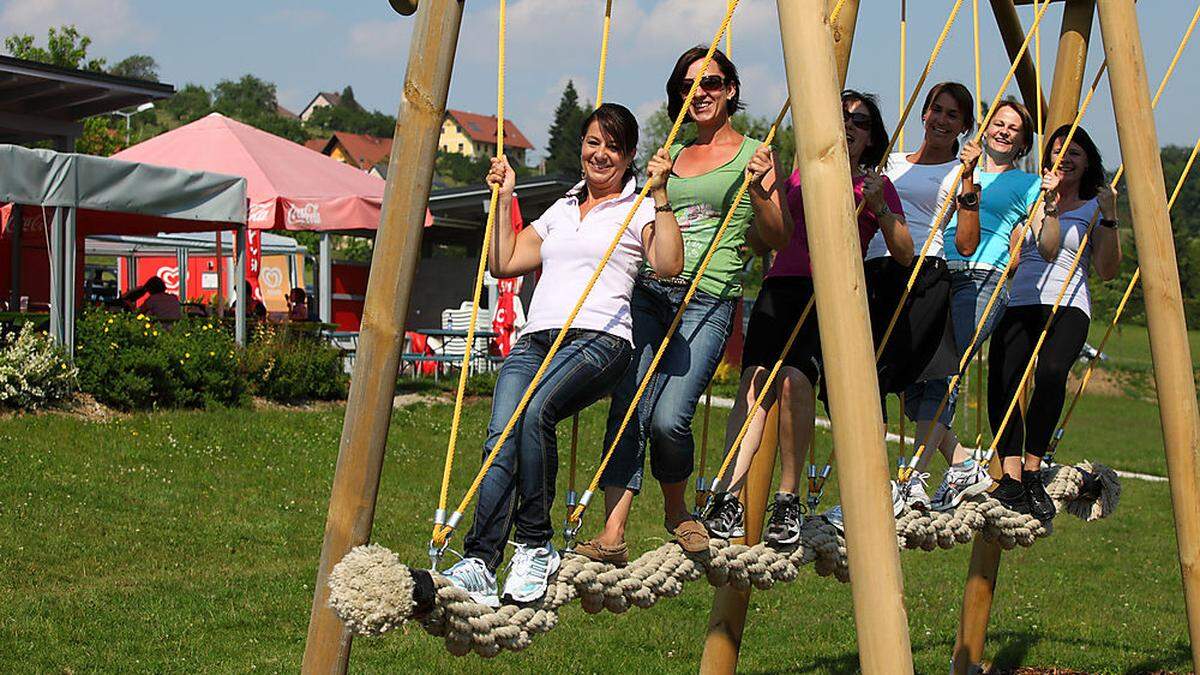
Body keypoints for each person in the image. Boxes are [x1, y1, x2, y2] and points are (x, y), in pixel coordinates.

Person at [441, 103, 684, 607]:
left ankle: (535, 544)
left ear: (630, 155)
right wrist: (504, 198)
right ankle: (482, 561)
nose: (601, 154)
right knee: (498, 435)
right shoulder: (561, 207)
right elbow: (504, 261)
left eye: (613, 147)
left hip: (600, 340)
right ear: (581, 148)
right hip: (536, 339)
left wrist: (660, 195)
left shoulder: (637, 207)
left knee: (535, 412)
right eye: (593, 142)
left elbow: (667, 266)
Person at [576, 46, 791, 565]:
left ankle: (676, 512)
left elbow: (775, 235)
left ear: (731, 90)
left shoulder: (755, 153)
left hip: (709, 296)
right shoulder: (668, 151)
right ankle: (612, 533)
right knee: (629, 407)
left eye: (711, 83)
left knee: (671, 418)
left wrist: (760, 191)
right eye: (687, 86)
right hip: (650, 292)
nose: (700, 93)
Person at [703, 90, 914, 545]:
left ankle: (787, 498)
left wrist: (879, 206)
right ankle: (728, 494)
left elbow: (903, 252)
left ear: (872, 137)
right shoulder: (796, 180)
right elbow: (764, 242)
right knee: (755, 381)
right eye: (841, 118)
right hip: (782, 286)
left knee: (796, 382)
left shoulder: (873, 186)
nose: (850, 126)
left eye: (860, 121)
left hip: (831, 295)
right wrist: (762, 196)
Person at [918, 99, 1047, 512]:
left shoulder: (1028, 185)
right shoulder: (955, 170)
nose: (1004, 131)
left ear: (1023, 141)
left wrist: (1049, 206)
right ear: (984, 128)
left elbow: (1043, 239)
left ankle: (916, 476)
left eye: (1014, 128)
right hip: (938, 271)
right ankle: (961, 464)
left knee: (945, 368)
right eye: (998, 123)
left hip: (983, 277)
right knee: (913, 373)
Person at [988, 125, 1121, 519]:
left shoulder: (1092, 207)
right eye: (1059, 151)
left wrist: (1111, 217)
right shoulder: (1032, 199)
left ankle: (1033, 468)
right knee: (1005, 381)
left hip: (1067, 304)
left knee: (1049, 374)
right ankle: (1010, 478)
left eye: (1074, 152)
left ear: (1087, 162)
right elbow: (1014, 258)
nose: (1065, 158)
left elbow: (1108, 269)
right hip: (1021, 301)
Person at [864, 82, 975, 510]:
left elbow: (966, 243)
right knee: (876, 376)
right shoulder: (889, 162)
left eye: (952, 115)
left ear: (964, 125)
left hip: (922, 270)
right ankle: (962, 463)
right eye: (936, 110)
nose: (942, 120)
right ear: (922, 114)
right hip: (873, 266)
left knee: (906, 377)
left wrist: (968, 180)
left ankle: (893, 481)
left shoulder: (960, 173)